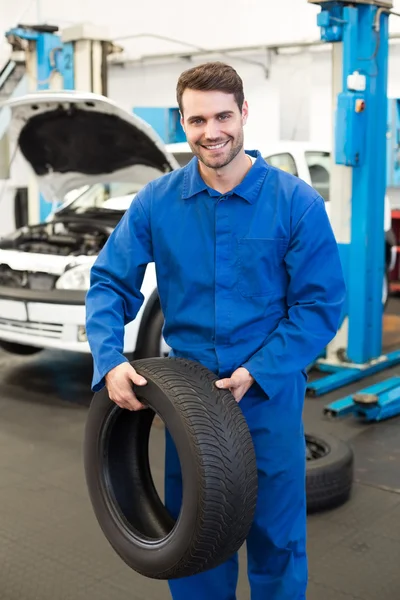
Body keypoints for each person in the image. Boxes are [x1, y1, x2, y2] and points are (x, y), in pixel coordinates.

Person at [85, 61, 346, 600]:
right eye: (197, 119)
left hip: (267, 394)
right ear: (183, 122)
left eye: (223, 115)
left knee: (276, 541)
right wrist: (109, 358)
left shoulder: (295, 202)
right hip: (192, 401)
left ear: (244, 113)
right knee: (198, 542)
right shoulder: (157, 202)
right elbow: (110, 282)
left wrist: (260, 369)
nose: (212, 132)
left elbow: (321, 305)